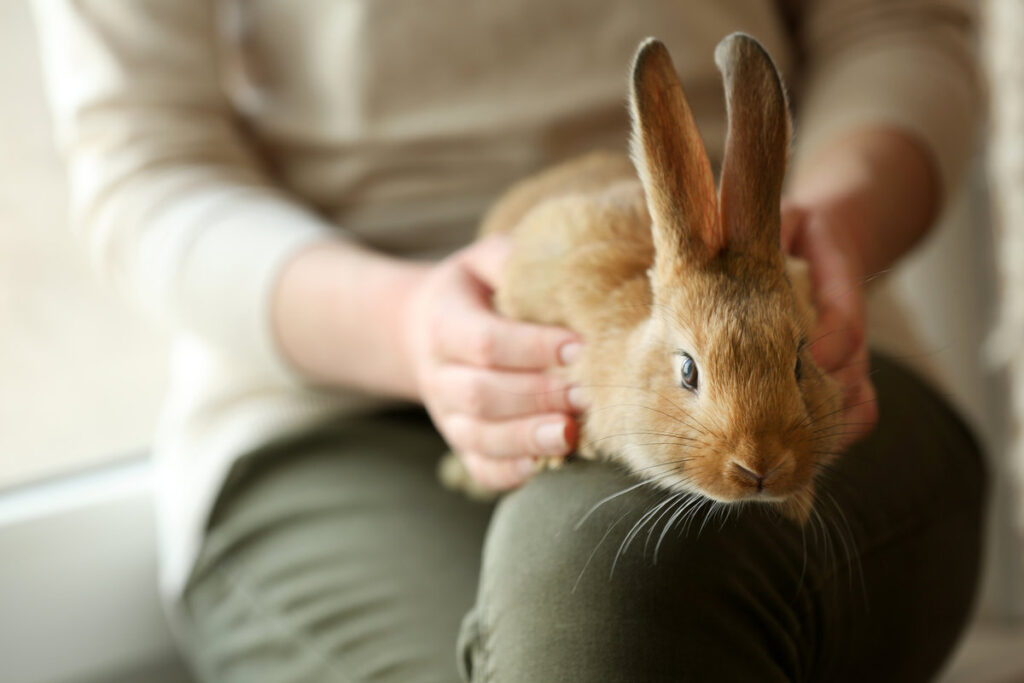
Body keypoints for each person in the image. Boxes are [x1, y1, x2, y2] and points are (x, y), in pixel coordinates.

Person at [34, 1, 985, 680]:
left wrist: (835, 229)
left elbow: (899, 30)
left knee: (605, 594)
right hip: (334, 397)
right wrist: (407, 329)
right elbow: (143, 164)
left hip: (803, 342)